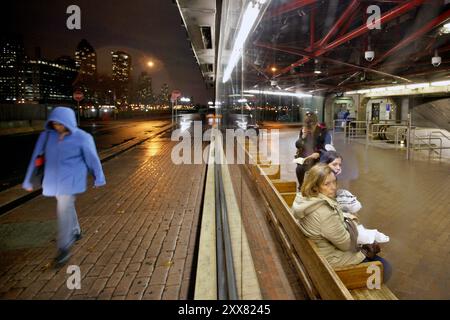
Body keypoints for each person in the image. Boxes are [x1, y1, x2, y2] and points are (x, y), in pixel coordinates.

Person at [23, 107, 106, 266]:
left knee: (63, 209)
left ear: (69, 122)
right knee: (66, 206)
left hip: (71, 180)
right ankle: (75, 231)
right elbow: (36, 157)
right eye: (54, 124)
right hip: (53, 179)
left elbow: (92, 159)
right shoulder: (46, 136)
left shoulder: (82, 137)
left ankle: (64, 248)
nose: (57, 127)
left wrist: (99, 177)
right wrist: (28, 180)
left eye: (61, 124)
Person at [292, 164, 391, 281]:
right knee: (385, 267)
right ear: (315, 187)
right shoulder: (324, 212)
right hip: (331, 261)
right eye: (327, 184)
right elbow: (346, 245)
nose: (333, 187)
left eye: (334, 182)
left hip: (320, 252)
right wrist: (364, 251)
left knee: (374, 256)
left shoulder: (306, 200)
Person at [294, 111, 331, 190]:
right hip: (305, 158)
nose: (309, 129)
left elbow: (327, 147)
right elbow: (297, 145)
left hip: (319, 158)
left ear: (316, 123)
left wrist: (319, 153)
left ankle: (316, 187)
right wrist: (303, 137)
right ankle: (301, 187)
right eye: (307, 127)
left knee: (316, 171)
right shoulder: (303, 130)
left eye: (312, 127)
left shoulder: (324, 131)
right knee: (299, 169)